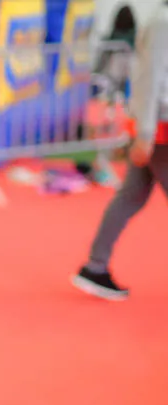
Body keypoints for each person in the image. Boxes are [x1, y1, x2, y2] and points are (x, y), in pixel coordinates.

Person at [72, 1, 168, 300]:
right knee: (129, 197)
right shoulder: (163, 22)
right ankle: (94, 266)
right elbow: (150, 77)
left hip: (153, 125)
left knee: (129, 197)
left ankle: (95, 267)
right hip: (159, 128)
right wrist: (145, 133)